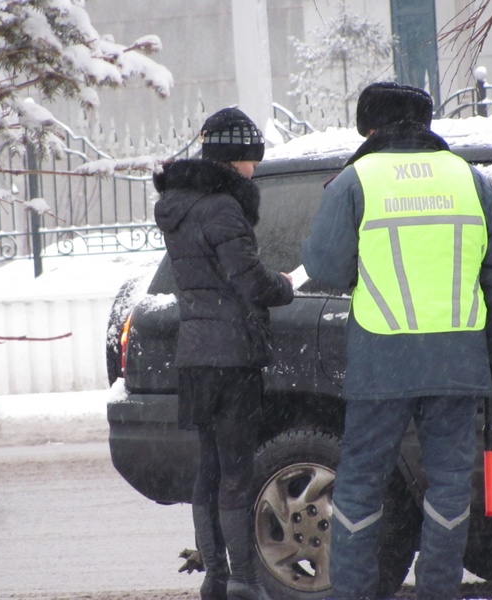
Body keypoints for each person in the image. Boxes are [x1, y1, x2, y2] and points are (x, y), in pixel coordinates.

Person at [301, 82, 492, 600]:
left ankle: (353, 592)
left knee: (360, 484)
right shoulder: (469, 179)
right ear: (425, 125)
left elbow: (323, 264)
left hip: (383, 360)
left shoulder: (357, 179)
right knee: (448, 486)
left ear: (372, 128)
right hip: (457, 359)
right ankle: (438, 592)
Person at [153, 107, 295, 600]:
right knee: (237, 471)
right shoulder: (223, 208)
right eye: (251, 160)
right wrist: (287, 283)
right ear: (236, 158)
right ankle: (244, 581)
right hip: (232, 357)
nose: (255, 169)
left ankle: (215, 577)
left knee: (208, 469)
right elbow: (249, 280)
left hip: (195, 357)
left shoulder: (180, 207)